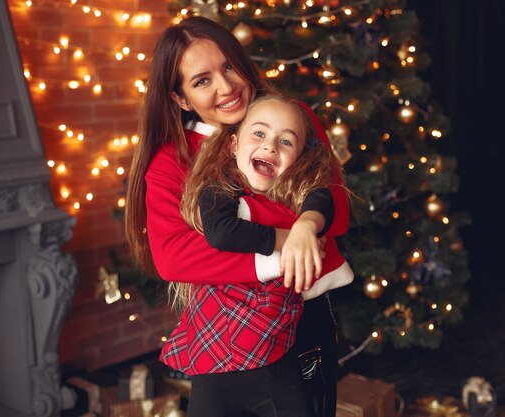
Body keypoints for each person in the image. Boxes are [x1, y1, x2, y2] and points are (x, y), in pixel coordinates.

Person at [124, 16, 349, 417]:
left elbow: (338, 213)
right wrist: (288, 239)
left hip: (303, 322)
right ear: (180, 99)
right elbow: (174, 257)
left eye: (229, 67)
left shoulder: (289, 117)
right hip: (229, 332)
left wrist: (306, 226)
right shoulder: (171, 161)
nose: (226, 88)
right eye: (202, 80)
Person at [171, 93, 353, 415]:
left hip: (273, 349)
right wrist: (287, 237)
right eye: (259, 133)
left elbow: (321, 199)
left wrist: (307, 226)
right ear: (233, 146)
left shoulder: (297, 193)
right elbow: (222, 232)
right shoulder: (219, 186)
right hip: (218, 343)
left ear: (299, 158)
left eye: (286, 142)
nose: (271, 146)